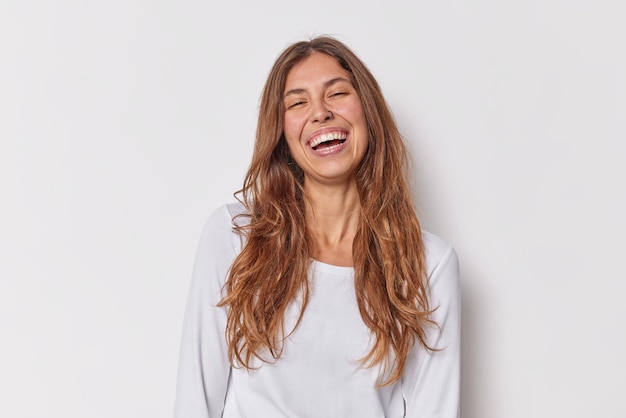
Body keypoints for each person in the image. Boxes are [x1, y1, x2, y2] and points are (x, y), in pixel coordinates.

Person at [173, 36, 460, 418]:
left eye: (337, 93)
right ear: (282, 134)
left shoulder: (428, 264)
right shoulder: (234, 237)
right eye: (298, 102)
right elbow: (195, 402)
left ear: (368, 113)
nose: (320, 113)